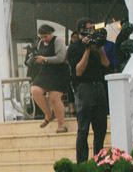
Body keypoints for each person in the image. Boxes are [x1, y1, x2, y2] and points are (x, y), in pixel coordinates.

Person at [67, 17, 110, 163]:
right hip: (84, 89)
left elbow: (106, 64)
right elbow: (78, 71)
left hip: (99, 87)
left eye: (93, 28)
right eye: (89, 28)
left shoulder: (97, 46)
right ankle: (82, 164)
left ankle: (100, 161)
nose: (92, 31)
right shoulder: (74, 48)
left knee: (101, 128)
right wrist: (87, 50)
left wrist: (99, 49)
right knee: (83, 129)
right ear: (81, 31)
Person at [24, 24, 69, 133]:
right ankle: (48, 114)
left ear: (50, 33)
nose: (44, 39)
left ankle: (61, 124)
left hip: (59, 72)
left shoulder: (58, 41)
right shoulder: (40, 43)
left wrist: (45, 59)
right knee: (35, 90)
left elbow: (61, 58)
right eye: (42, 37)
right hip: (46, 71)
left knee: (54, 98)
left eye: (46, 36)